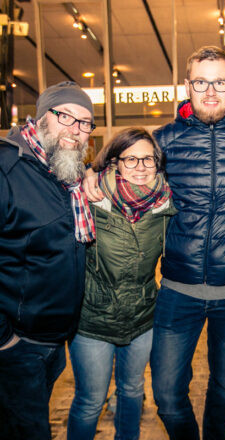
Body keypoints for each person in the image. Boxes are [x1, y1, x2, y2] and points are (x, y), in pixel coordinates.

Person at [83, 46, 225, 440]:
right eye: (201, 82)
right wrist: (91, 176)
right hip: (178, 290)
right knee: (167, 394)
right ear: (188, 86)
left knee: (223, 386)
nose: (211, 91)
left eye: (219, 81)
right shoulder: (165, 140)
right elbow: (124, 170)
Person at [0, 81, 95, 439]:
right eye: (66, 117)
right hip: (18, 345)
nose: (77, 130)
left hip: (52, 343)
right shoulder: (7, 168)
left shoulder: (62, 173)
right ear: (41, 118)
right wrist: (6, 341)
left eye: (85, 122)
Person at [67, 128, 175, 440]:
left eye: (148, 159)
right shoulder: (90, 197)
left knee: (131, 392)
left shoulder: (165, 202)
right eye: (131, 159)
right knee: (90, 401)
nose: (141, 167)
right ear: (115, 162)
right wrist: (87, 171)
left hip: (141, 318)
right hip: (92, 321)